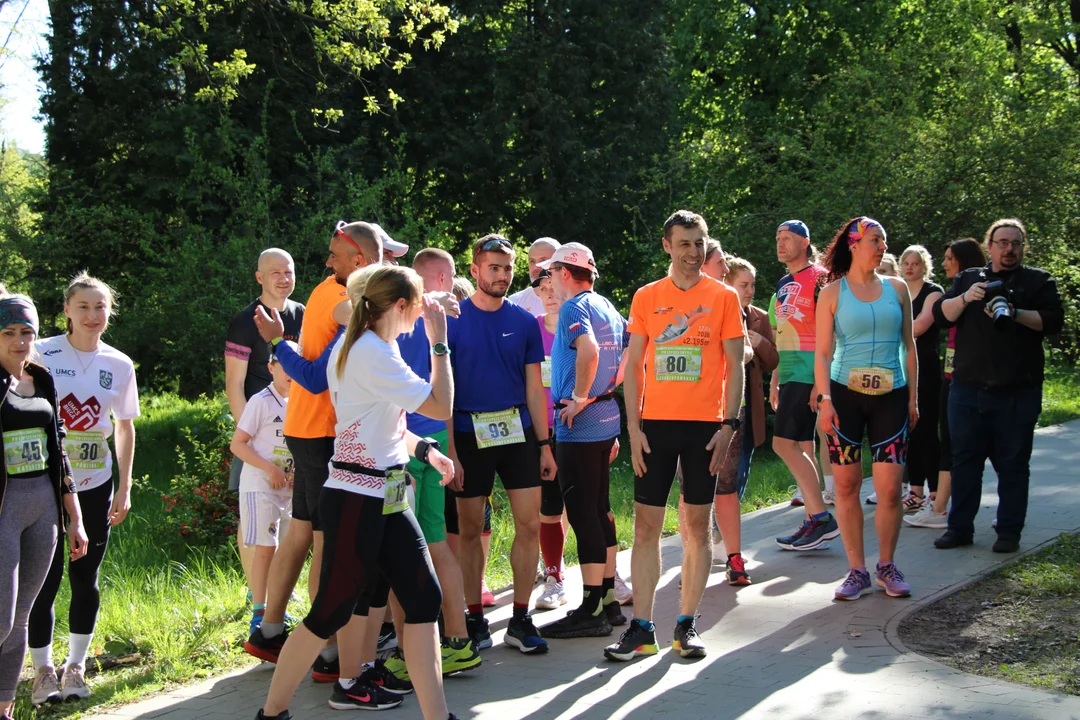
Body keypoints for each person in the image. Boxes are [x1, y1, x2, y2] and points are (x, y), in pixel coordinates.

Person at [254, 265, 460, 720]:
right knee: (329, 611)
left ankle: (439, 716)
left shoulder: (374, 347)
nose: (423, 311)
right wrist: (440, 342)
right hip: (354, 499)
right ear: (400, 306)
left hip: (385, 495)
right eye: (419, 303)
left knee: (424, 598)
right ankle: (270, 714)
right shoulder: (370, 352)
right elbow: (440, 405)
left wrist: (425, 450)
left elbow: (379, 419)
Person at [607, 210, 744, 662]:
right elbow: (633, 366)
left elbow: (736, 366)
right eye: (684, 243)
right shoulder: (647, 297)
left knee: (696, 528)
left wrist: (729, 425)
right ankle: (641, 628)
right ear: (667, 245)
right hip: (656, 428)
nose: (693, 252)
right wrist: (632, 426)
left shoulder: (724, 297)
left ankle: (686, 625)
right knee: (646, 528)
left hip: (705, 429)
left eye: (699, 243)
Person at [245, 222, 379, 678]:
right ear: (365, 263)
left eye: (332, 254)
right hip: (322, 431)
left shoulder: (334, 289)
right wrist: (279, 342)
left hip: (310, 428)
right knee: (328, 540)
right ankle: (326, 649)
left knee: (303, 529)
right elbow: (322, 369)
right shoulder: (342, 299)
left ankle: (269, 629)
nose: (325, 262)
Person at [26, 275, 140, 704]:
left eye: (101, 307)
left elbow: (124, 429)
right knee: (45, 578)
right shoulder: (42, 353)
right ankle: (42, 671)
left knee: (85, 576)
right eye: (84, 307)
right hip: (47, 483)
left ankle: (75, 667)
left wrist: (124, 487)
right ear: (67, 310)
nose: (94, 316)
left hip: (96, 483)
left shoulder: (120, 364)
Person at [446, 234, 556, 655]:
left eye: (508, 267)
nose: (502, 275)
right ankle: (474, 617)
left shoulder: (525, 322)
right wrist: (451, 450)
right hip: (468, 433)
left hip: (518, 432)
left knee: (530, 524)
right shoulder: (453, 320)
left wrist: (544, 445)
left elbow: (534, 388)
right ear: (474, 270)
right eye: (493, 267)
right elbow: (444, 388)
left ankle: (521, 618)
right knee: (470, 528)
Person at [931, 219, 1064, 553]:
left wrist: (1015, 311)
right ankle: (959, 528)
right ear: (989, 246)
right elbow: (942, 314)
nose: (1009, 248)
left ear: (1023, 247)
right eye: (1002, 242)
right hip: (967, 390)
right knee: (965, 463)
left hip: (1018, 392)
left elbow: (1053, 321)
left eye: (1015, 243)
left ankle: (1008, 533)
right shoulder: (967, 278)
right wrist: (965, 297)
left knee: (1014, 465)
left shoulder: (1038, 281)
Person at [383, 248, 481, 679]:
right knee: (436, 543)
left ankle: (408, 654)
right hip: (435, 441)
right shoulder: (438, 321)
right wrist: (452, 451)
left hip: (399, 447)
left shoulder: (393, 322)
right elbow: (449, 395)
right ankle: (457, 641)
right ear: (441, 277)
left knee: (399, 549)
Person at [815, 217, 917, 601]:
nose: (882, 247)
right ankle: (856, 570)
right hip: (844, 396)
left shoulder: (898, 289)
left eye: (884, 241)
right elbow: (823, 354)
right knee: (846, 485)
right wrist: (824, 400)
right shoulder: (833, 293)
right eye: (876, 240)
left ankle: (887, 566)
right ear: (854, 244)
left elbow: (909, 346)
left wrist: (913, 397)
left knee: (890, 490)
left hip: (892, 395)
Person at [0, 292, 88, 718]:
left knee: (19, 621)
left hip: (44, 509)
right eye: (9, 332)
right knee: (1, 617)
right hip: (4, 509)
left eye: (27, 332)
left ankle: (4, 709)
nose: (19, 341)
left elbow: (59, 448)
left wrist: (74, 513)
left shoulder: (43, 378)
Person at [535, 243, 628, 638]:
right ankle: (607, 600)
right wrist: (600, 393)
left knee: (582, 514)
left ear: (566, 272)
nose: (547, 280)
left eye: (550, 272)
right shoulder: (605, 305)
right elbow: (628, 357)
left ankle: (590, 610)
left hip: (580, 425)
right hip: (606, 418)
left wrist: (579, 398)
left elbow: (588, 350)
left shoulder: (574, 307)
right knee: (599, 508)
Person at [225, 249, 303, 586]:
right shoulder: (245, 321)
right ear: (259, 277)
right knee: (254, 514)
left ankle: (279, 588)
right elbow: (234, 383)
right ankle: (254, 589)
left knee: (289, 512)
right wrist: (250, 433)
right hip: (256, 430)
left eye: (288, 272)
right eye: (275, 273)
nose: (283, 279)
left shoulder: (303, 314)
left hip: (299, 429)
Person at [905, 238, 987, 529]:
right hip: (952, 375)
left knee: (949, 440)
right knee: (945, 439)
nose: (944, 263)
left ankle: (940, 505)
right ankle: (934, 503)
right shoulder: (956, 292)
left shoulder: (943, 291)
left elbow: (922, 326)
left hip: (964, 377)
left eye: (950, 258)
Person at [769, 220, 840, 551]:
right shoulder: (784, 281)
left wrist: (820, 385)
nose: (781, 243)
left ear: (805, 242)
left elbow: (833, 332)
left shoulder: (822, 277)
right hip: (790, 374)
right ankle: (818, 518)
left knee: (783, 445)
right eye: (778, 238)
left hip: (810, 374)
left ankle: (821, 518)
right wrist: (775, 379)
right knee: (795, 445)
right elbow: (781, 333)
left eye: (788, 238)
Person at [715, 257, 778, 585]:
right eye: (744, 285)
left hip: (747, 410)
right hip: (715, 409)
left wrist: (760, 341)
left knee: (740, 472)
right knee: (720, 477)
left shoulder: (759, 318)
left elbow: (772, 360)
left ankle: (722, 531)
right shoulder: (714, 311)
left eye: (753, 285)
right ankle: (720, 538)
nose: (751, 291)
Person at [229, 349, 294, 636]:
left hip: (289, 490)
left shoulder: (301, 401)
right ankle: (259, 612)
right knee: (267, 548)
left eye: (296, 366)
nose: (290, 373)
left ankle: (279, 610)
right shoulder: (261, 401)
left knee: (286, 552)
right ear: (271, 367)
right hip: (260, 486)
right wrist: (271, 469)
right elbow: (238, 444)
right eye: (284, 366)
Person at [531, 268, 569, 610]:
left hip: (582, 428)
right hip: (542, 432)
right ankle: (554, 576)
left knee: (593, 504)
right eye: (542, 289)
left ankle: (607, 575)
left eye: (553, 285)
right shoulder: (531, 329)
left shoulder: (581, 324)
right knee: (549, 507)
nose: (549, 293)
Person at [898, 246, 944, 513]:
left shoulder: (933, 292)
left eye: (916, 263)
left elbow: (919, 327)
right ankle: (915, 491)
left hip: (925, 367)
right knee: (908, 432)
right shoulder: (898, 291)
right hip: (899, 366)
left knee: (926, 430)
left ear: (924, 266)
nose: (910, 267)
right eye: (906, 262)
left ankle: (936, 491)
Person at [508, 237, 560, 316]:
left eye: (543, 260)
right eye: (532, 261)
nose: (536, 267)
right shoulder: (514, 303)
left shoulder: (572, 300)